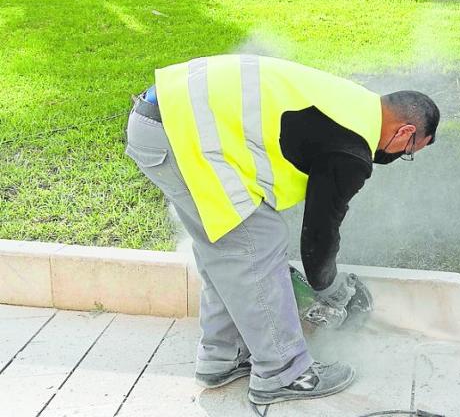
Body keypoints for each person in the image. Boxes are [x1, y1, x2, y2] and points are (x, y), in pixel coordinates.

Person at [123, 55, 439, 405]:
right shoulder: (351, 146)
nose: (400, 155)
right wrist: (334, 289)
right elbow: (319, 236)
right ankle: (284, 373)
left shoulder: (352, 103)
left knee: (227, 251)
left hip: (161, 122)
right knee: (258, 243)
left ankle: (220, 357)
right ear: (406, 132)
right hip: (179, 130)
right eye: (409, 151)